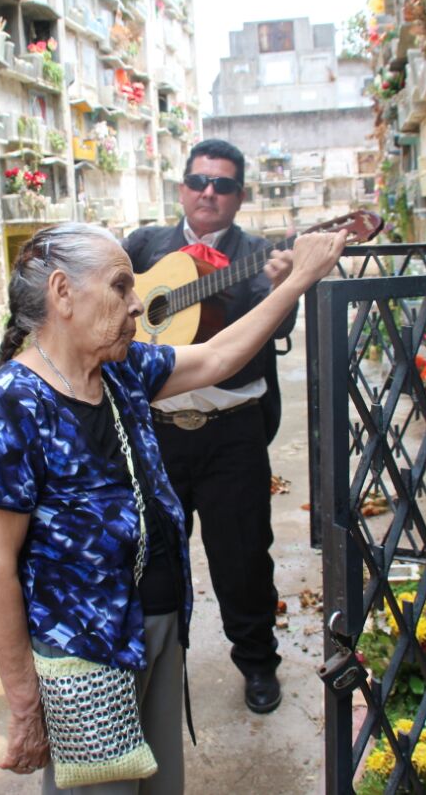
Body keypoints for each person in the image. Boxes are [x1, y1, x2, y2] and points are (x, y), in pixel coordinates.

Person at [0, 222, 345, 791]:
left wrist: (297, 283)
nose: (137, 303)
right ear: (62, 293)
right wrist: (24, 703)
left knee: (161, 784)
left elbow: (216, 357)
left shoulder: (119, 369)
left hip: (157, 620)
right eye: (120, 286)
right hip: (87, 651)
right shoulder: (13, 402)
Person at [122, 138, 292, 714]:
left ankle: (257, 663)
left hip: (231, 429)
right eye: (199, 182)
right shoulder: (146, 245)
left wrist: (286, 285)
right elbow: (114, 301)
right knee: (152, 556)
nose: (208, 194)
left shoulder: (261, 254)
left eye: (222, 185)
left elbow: (275, 326)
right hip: (156, 433)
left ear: (240, 196)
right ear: (182, 189)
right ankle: (155, 666)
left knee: (242, 559)